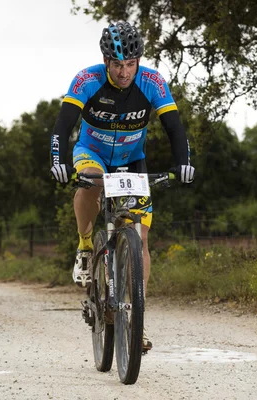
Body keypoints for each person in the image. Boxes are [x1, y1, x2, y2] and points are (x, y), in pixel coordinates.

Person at [49, 21, 195, 351]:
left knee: (140, 236)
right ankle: (86, 244)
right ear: (105, 60)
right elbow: (62, 126)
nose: (124, 72)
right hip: (92, 153)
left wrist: (183, 162)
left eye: (131, 64)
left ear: (138, 61)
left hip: (132, 160)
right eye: (117, 64)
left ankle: (135, 318)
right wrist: (57, 161)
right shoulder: (87, 80)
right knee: (90, 184)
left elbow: (175, 128)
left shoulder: (152, 81)